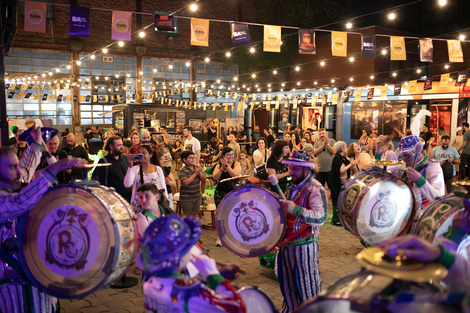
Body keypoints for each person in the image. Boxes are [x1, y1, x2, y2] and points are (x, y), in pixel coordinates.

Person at [0, 126, 87, 313]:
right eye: (11, 166)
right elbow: (19, 202)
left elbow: (24, 169)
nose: (18, 170)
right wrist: (56, 168)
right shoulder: (4, 199)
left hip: (31, 276)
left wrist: (37, 143)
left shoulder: (8, 184)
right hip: (11, 284)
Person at [137, 215, 246, 312]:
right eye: (188, 248)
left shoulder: (149, 281)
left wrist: (217, 276)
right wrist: (213, 275)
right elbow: (237, 307)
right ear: (180, 258)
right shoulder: (186, 293)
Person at [278, 150, 328, 313]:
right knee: (288, 289)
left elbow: (320, 218)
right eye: (290, 167)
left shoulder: (315, 188)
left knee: (308, 290)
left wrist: (296, 209)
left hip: (304, 247)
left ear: (306, 169)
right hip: (286, 245)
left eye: (295, 169)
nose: (291, 172)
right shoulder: (291, 184)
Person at [395, 135, 445, 212]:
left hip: (424, 216)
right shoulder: (405, 165)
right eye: (402, 156)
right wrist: (378, 151)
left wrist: (420, 180)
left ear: (418, 152)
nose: (404, 160)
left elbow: (440, 199)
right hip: (406, 215)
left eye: (407, 156)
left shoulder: (432, 167)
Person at [124, 144, 168, 215]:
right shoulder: (135, 169)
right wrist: (130, 166)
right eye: (139, 153)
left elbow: (163, 187)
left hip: (155, 202)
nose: (141, 155)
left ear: (150, 155)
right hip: (140, 201)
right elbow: (127, 184)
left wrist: (165, 202)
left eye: (144, 153)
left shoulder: (157, 169)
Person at [213, 148, 242, 246]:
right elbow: (215, 178)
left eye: (231, 154)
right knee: (220, 215)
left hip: (233, 193)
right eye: (228, 155)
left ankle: (231, 237)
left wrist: (227, 166)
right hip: (220, 193)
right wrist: (222, 168)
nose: (230, 157)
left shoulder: (236, 164)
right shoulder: (218, 165)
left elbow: (236, 175)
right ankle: (220, 237)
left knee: (233, 215)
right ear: (223, 157)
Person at [93, 136, 132, 203]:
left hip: (126, 198)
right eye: (119, 145)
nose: (122, 147)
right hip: (112, 199)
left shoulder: (125, 159)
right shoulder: (104, 162)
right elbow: (96, 181)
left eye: (122, 144)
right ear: (111, 146)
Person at [329, 141, 359, 226]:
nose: (346, 148)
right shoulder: (337, 158)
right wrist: (352, 164)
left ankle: (339, 218)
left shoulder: (341, 157)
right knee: (336, 200)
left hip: (341, 182)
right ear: (342, 149)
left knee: (339, 200)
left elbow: (347, 162)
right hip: (335, 183)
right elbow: (341, 170)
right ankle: (335, 219)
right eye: (345, 147)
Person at [178, 150, 206, 217]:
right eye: (190, 158)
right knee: (187, 216)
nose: (193, 159)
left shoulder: (196, 168)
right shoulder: (182, 170)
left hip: (197, 196)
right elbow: (185, 183)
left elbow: (204, 180)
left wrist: (199, 172)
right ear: (184, 160)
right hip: (187, 198)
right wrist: (195, 173)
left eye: (194, 157)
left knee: (194, 215)